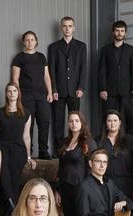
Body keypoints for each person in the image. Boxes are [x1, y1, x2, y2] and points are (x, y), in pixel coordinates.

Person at [0, 83, 36, 216]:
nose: (12, 93)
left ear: (18, 94)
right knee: (3, 174)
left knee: (14, 178)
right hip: (2, 149)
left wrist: (29, 156)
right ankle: (13, 208)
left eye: (14, 91)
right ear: (6, 94)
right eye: (9, 91)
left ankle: (9, 210)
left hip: (18, 149)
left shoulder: (26, 113)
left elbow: (26, 137)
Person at [55, 111, 96, 216]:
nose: (73, 123)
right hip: (65, 188)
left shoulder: (88, 142)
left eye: (76, 121)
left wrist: (89, 189)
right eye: (71, 121)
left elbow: (92, 168)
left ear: (82, 122)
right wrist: (57, 190)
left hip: (81, 187)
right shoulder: (65, 141)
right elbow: (60, 168)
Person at [11, 31, 54, 159]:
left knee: (44, 122)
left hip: (42, 95)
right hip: (26, 96)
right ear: (23, 42)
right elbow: (15, 79)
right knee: (28, 124)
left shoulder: (41, 57)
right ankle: (27, 152)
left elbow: (46, 76)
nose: (30, 42)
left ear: (36, 41)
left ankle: (43, 151)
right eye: (27, 40)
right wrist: (18, 96)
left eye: (32, 40)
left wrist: (50, 92)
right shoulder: (19, 58)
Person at [48, 16, 87, 151]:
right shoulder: (54, 47)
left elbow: (83, 68)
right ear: (61, 28)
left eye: (70, 26)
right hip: (59, 91)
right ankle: (59, 150)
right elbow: (51, 70)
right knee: (58, 121)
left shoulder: (81, 46)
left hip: (75, 90)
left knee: (76, 121)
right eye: (64, 26)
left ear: (73, 28)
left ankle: (76, 148)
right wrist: (53, 89)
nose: (67, 28)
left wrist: (81, 87)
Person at [98, 20, 133, 117]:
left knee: (125, 118)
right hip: (109, 91)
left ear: (125, 33)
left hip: (126, 91)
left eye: (122, 31)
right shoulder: (105, 50)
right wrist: (102, 89)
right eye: (117, 30)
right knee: (109, 117)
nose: (119, 33)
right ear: (113, 32)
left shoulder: (130, 49)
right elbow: (102, 71)